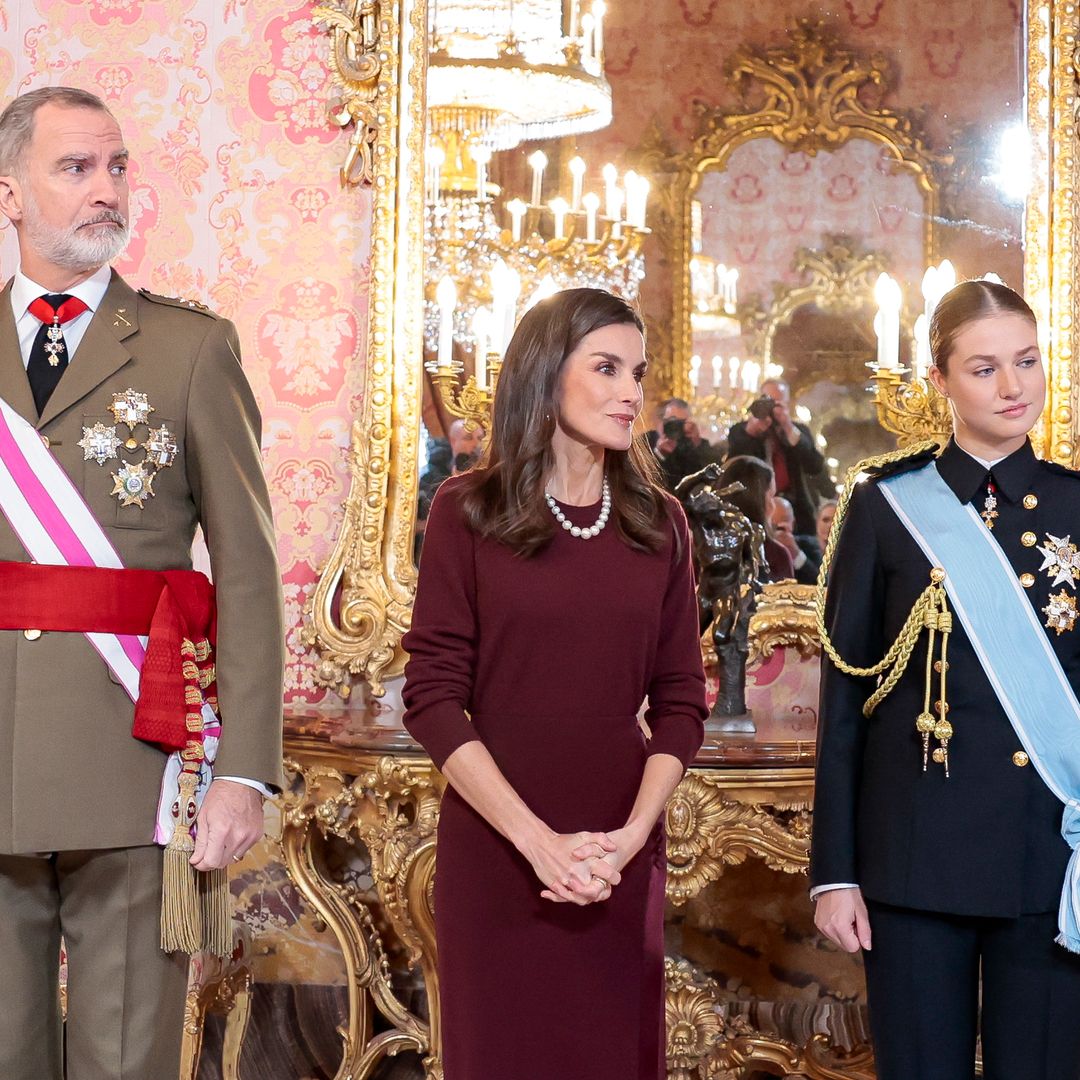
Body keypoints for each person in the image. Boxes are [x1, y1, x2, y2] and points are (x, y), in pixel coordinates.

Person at [0, 87, 284, 1079]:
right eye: (75, 169)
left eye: (117, 167)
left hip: (133, 757)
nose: (105, 190)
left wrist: (245, 770)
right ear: (10, 193)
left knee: (125, 1057)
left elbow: (246, 573)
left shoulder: (188, 348)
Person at [402, 287, 707, 1079]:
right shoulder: (465, 512)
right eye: (605, 368)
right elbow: (433, 698)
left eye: (637, 372)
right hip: (498, 850)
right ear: (545, 374)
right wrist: (536, 844)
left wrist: (631, 839)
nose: (630, 393)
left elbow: (681, 704)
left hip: (615, 848)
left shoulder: (659, 522)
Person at [811, 279, 1080, 1079]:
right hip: (913, 861)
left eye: (1027, 362)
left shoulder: (1076, 507)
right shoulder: (886, 504)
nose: (1012, 387)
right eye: (985, 368)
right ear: (939, 381)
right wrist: (835, 872)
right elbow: (845, 704)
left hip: (1049, 859)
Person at [727, 378, 825, 534]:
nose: (772, 408)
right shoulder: (741, 430)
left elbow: (815, 466)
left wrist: (788, 427)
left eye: (777, 403)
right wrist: (752, 431)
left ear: (787, 404)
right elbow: (735, 462)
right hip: (755, 507)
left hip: (796, 512)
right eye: (768, 402)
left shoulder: (797, 431)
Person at [716, 455, 794, 581]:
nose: (773, 506)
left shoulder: (701, 549)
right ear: (759, 503)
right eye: (772, 496)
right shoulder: (776, 555)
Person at [646, 396, 719, 490]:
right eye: (672, 421)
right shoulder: (645, 441)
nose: (676, 426)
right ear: (659, 421)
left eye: (682, 422)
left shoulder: (691, 442)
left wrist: (697, 444)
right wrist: (659, 454)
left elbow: (714, 475)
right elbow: (640, 476)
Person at [770, 494, 821, 585]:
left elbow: (820, 584)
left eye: (785, 519)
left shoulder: (809, 546)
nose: (780, 526)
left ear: (793, 523)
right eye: (774, 524)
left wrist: (796, 554)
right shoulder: (758, 549)